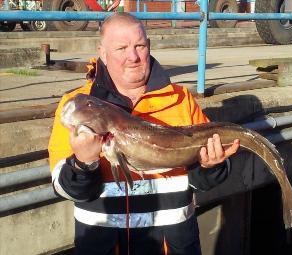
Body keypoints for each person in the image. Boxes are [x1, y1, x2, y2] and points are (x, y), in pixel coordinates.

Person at [48, 13, 240, 255]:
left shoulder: (181, 100)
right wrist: (83, 164)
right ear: (102, 53)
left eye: (140, 45)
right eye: (121, 48)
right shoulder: (77, 106)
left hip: (173, 246)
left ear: (149, 46)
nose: (134, 56)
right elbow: (65, 189)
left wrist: (211, 166)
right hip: (103, 246)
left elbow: (201, 183)